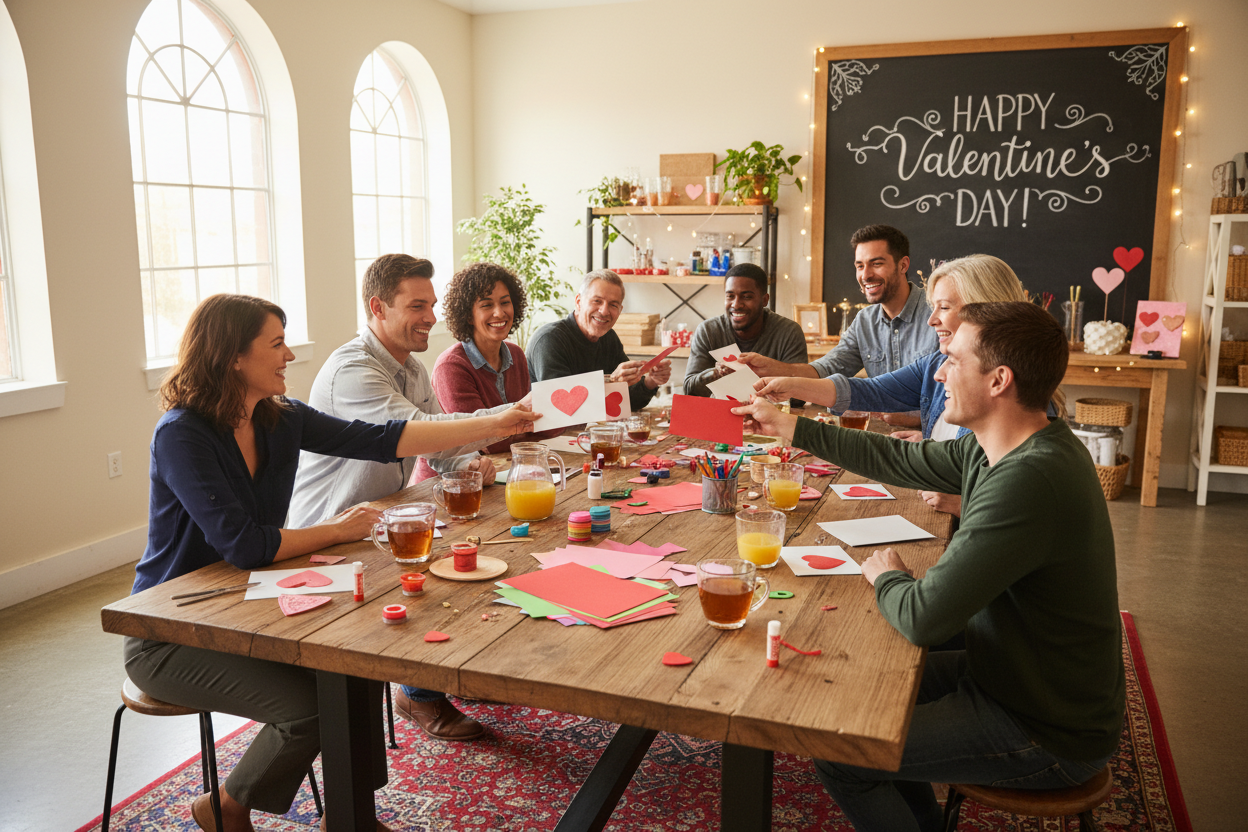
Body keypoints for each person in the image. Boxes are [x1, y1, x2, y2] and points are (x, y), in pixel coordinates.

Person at [125, 294, 536, 832]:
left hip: (248, 601)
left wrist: (495, 423)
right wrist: (339, 529)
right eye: (276, 344)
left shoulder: (280, 418)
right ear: (232, 357)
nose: (290, 355)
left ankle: (350, 816)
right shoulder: (183, 433)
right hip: (173, 629)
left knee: (356, 665)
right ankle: (225, 807)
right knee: (312, 709)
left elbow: (385, 439)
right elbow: (244, 545)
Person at [732, 302, 1124, 832]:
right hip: (1007, 673)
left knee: (843, 751)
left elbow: (924, 617)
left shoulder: (1028, 480)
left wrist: (886, 575)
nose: (938, 373)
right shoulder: (1001, 449)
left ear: (999, 380)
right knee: (863, 688)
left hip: (1045, 726)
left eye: (952, 360)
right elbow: (899, 460)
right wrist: (790, 426)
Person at [288, 254, 516, 741]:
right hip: (330, 535)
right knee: (439, 580)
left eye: (431, 305)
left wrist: (468, 462)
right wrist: (500, 419)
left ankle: (446, 673)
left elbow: (444, 443)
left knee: (476, 558)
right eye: (417, 306)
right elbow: (410, 433)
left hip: (380, 521)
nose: (430, 318)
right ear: (378, 307)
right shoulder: (353, 370)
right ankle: (418, 692)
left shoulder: (411, 368)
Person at [755, 254, 1031, 516]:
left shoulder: (1016, 396)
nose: (931, 319)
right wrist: (789, 386)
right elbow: (873, 391)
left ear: (986, 309)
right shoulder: (937, 362)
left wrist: (967, 501)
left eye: (944, 307)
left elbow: (1018, 496)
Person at [735, 225, 938, 385]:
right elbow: (826, 369)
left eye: (876, 264)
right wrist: (772, 368)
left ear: (903, 265)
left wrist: (917, 421)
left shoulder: (938, 312)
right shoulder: (865, 321)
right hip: (886, 433)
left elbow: (959, 388)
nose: (865, 275)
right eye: (860, 266)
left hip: (935, 433)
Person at [431, 262, 561, 449]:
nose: (500, 313)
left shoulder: (516, 354)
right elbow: (480, 441)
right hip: (456, 475)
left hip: (505, 467)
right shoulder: (451, 366)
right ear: (468, 315)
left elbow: (530, 427)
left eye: (505, 302)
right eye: (487, 305)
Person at [526, 269, 671, 410]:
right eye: (597, 301)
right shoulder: (549, 340)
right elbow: (561, 405)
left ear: (620, 311)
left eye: (613, 305)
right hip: (545, 432)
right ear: (578, 302)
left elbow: (627, 402)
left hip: (589, 430)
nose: (604, 311)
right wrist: (611, 382)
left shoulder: (609, 338)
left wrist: (651, 382)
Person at [681, 262, 808, 397]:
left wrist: (768, 370)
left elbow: (800, 398)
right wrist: (716, 374)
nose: (736, 304)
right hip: (719, 415)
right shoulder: (708, 331)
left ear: (764, 300)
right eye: (730, 296)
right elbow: (690, 391)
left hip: (772, 416)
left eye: (747, 297)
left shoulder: (788, 332)